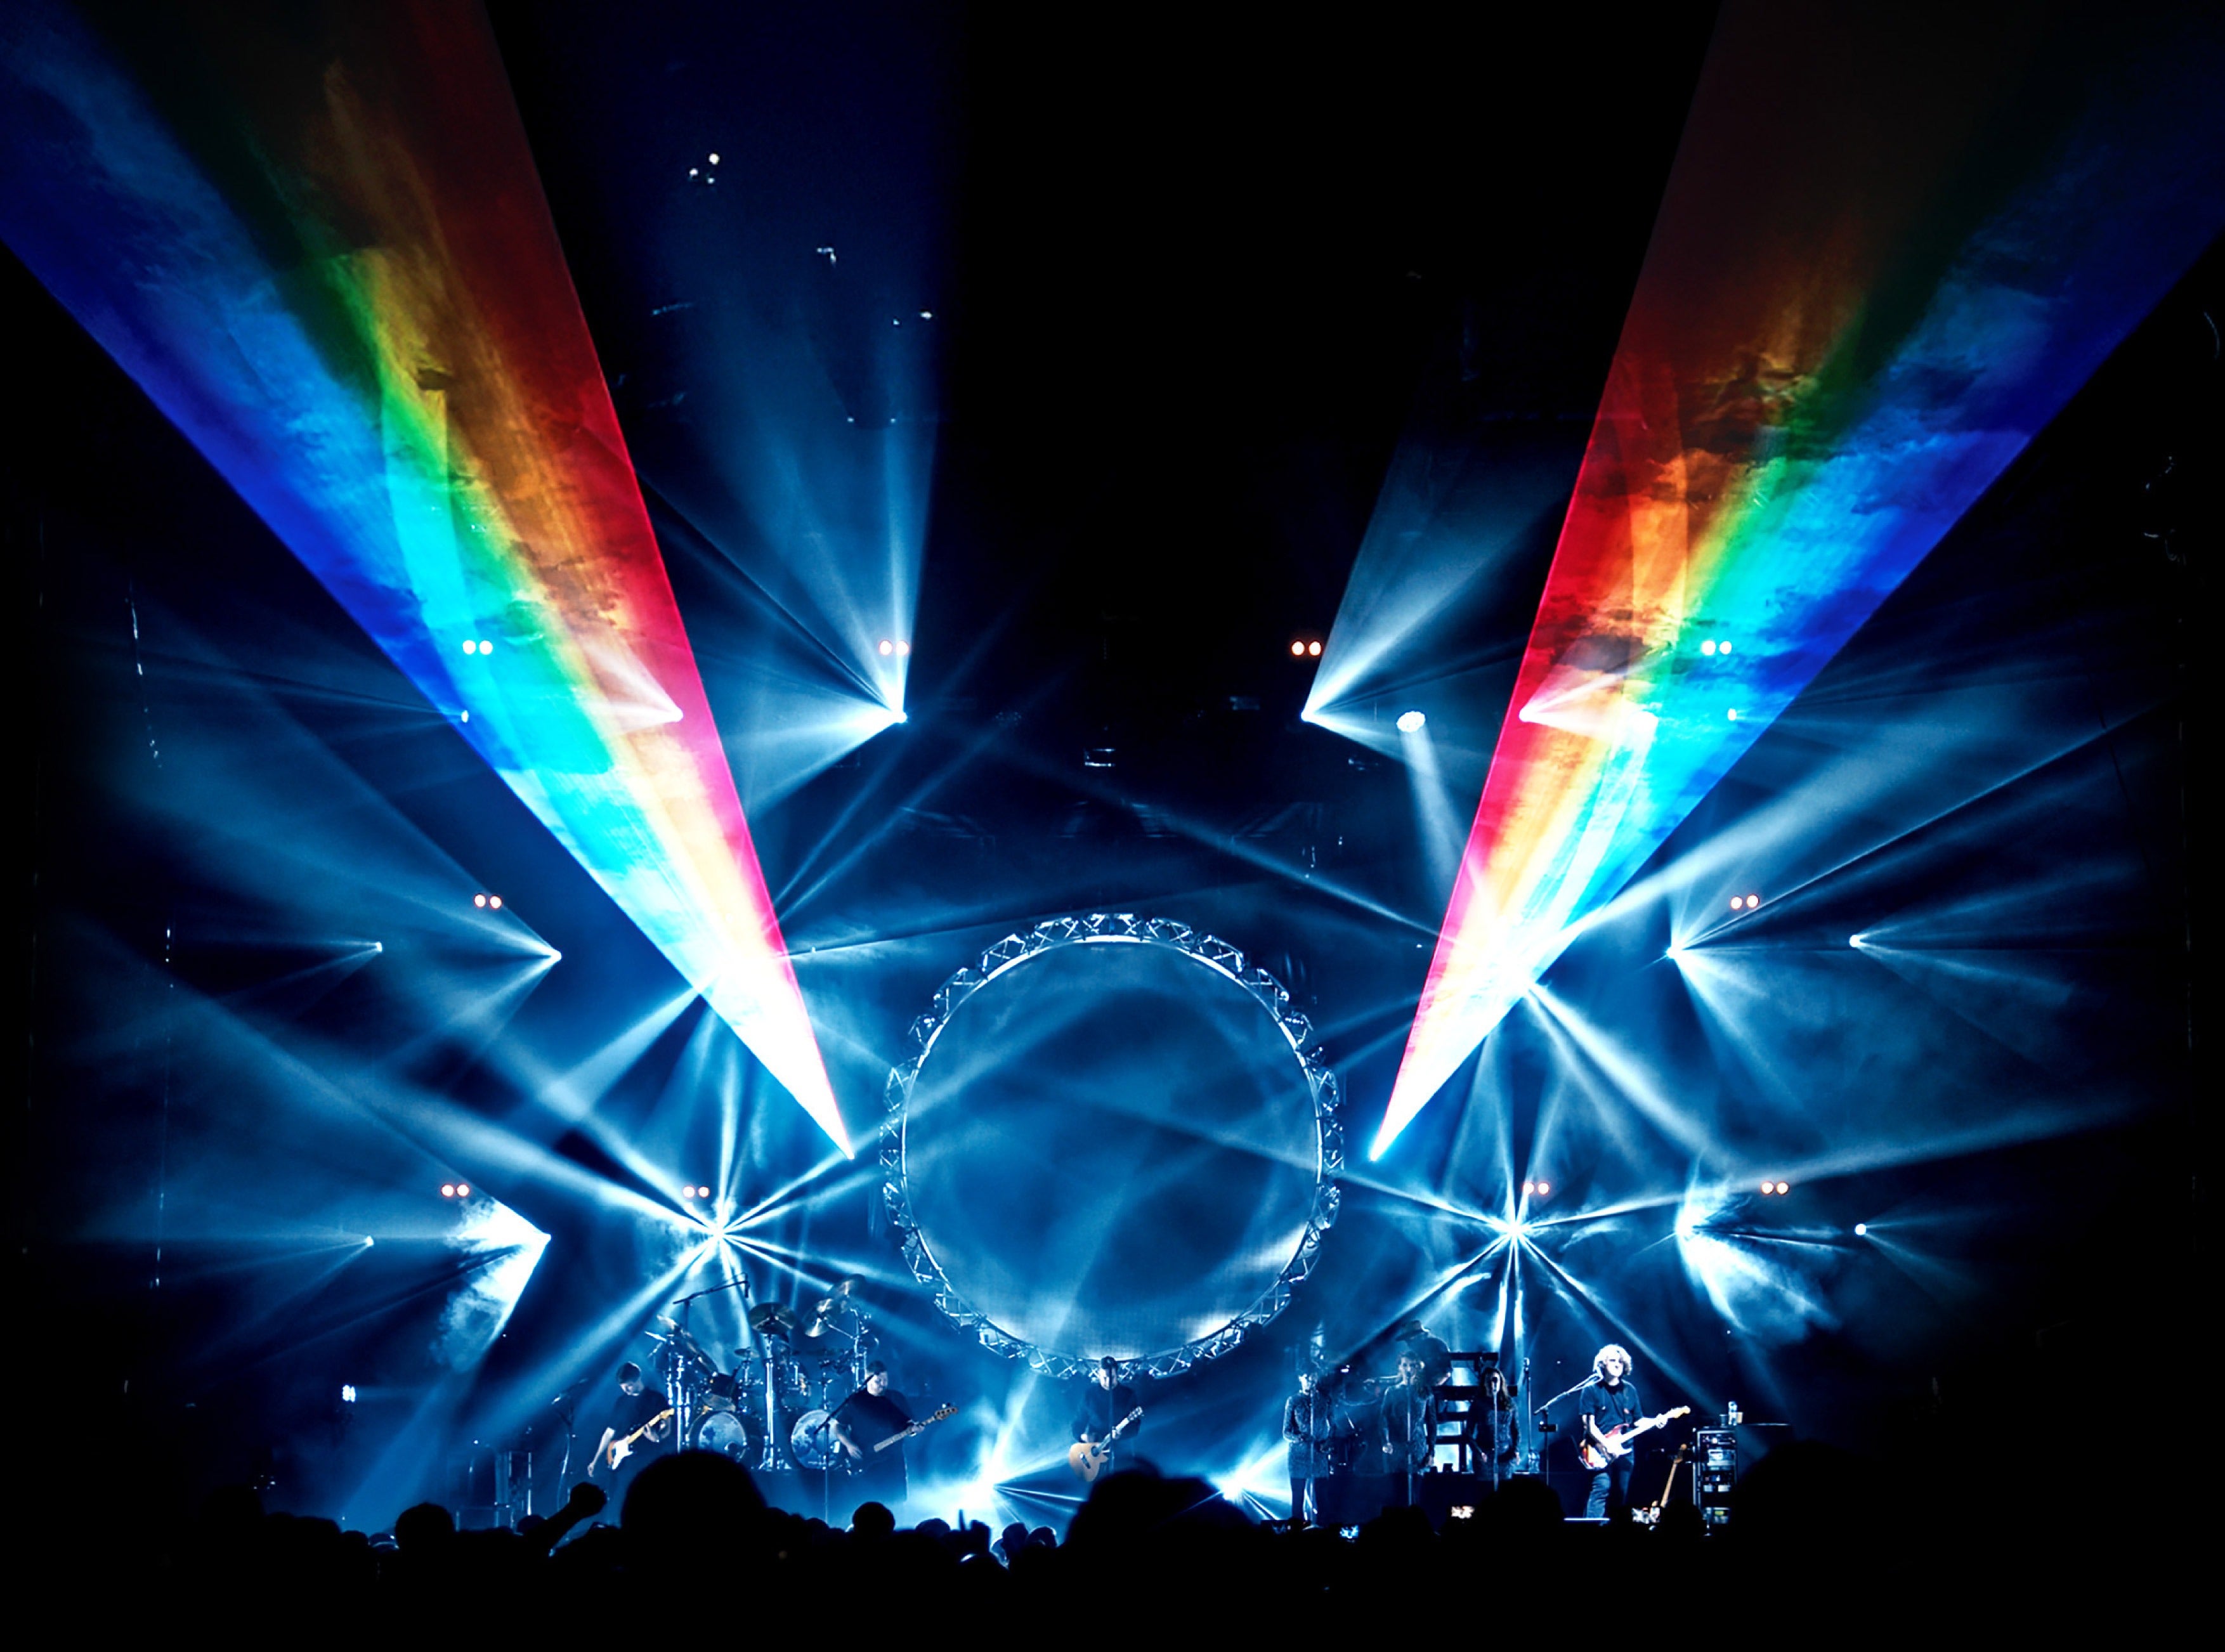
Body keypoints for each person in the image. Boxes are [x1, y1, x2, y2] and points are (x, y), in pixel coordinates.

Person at [828, 1361, 917, 1516]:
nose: (883, 1384)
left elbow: (909, 1424)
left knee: (896, 1502)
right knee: (866, 1503)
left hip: (893, 1459)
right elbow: (838, 1426)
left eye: (885, 1380)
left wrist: (913, 1430)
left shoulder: (896, 1398)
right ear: (867, 1380)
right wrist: (849, 1445)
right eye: (878, 1381)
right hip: (865, 1459)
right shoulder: (856, 1400)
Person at [590, 1362, 671, 1498]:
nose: (626, 1390)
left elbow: (667, 1426)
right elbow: (609, 1433)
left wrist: (658, 1437)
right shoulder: (621, 1402)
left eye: (629, 1386)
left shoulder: (656, 1399)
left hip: (648, 1459)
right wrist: (596, 1459)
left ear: (638, 1379)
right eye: (623, 1387)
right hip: (623, 1465)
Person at [1579, 1343, 1642, 1518]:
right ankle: (1592, 1528)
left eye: (1621, 1362)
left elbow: (1638, 1420)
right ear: (1603, 1364)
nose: (1617, 1365)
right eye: (1613, 1361)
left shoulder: (1630, 1390)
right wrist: (1607, 1445)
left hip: (1625, 1450)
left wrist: (1657, 1421)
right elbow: (1589, 1425)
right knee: (1601, 1488)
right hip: (1598, 1449)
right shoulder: (1591, 1389)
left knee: (1621, 1494)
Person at [1281, 1366, 1341, 1523]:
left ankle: (1322, 1527)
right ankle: (1297, 1527)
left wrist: (1328, 1442)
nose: (1310, 1381)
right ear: (1300, 1378)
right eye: (1306, 1377)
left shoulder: (1325, 1400)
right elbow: (1286, 1432)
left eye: (1313, 1377)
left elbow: (1333, 1426)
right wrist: (1298, 1438)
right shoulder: (1293, 1401)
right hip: (1299, 1456)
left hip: (1319, 1454)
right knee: (1298, 1497)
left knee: (1322, 1497)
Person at [1378, 1351, 1435, 1503]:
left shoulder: (1425, 1392)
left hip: (1418, 1448)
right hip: (1397, 1448)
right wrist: (1386, 1442)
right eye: (1405, 1365)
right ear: (1400, 1367)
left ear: (1418, 1367)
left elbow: (1432, 1422)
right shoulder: (1392, 1392)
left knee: (1415, 1493)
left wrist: (1431, 1451)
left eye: (1412, 1365)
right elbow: (1383, 1419)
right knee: (1398, 1494)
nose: (1408, 1369)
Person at [1071, 1356, 1141, 1473]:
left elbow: (1135, 1427)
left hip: (1121, 1453)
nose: (1108, 1381)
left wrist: (1121, 1434)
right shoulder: (1089, 1395)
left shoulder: (1128, 1395)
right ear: (1099, 1375)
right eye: (1104, 1377)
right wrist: (1083, 1436)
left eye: (1112, 1377)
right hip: (1094, 1452)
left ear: (1117, 1375)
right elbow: (1078, 1423)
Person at [1470, 1363, 1519, 1486]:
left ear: (1501, 1382)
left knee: (1505, 1491)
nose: (1493, 1384)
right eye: (1489, 1381)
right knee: (1485, 1491)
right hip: (1485, 1455)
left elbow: (1516, 1430)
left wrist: (1515, 1450)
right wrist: (1478, 1451)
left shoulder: (1510, 1404)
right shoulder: (1478, 1404)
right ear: (1484, 1383)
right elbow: (1468, 1432)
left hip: (1505, 1456)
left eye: (1496, 1380)